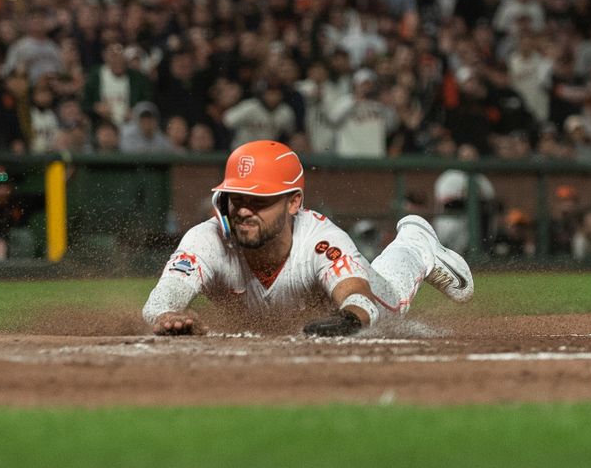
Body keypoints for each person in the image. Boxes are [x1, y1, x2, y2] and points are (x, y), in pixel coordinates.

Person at [142, 140, 474, 337]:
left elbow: (359, 296)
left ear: (293, 202)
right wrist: (167, 316)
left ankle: (415, 244)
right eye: (236, 197)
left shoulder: (320, 240)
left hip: (365, 295)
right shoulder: (207, 239)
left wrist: (349, 319)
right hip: (290, 316)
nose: (243, 210)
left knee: (393, 298)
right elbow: (163, 298)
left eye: (259, 200)